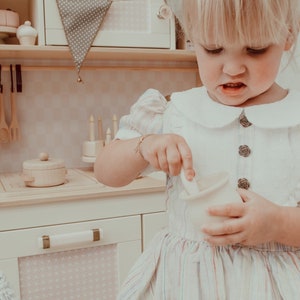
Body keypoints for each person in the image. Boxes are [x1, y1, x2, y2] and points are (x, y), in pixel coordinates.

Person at [94, 0, 300, 298]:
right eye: (214, 49)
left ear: (288, 36)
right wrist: (144, 146)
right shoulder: (173, 111)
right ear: (192, 38)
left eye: (255, 50)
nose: (232, 68)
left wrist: (278, 223)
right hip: (185, 284)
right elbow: (106, 171)